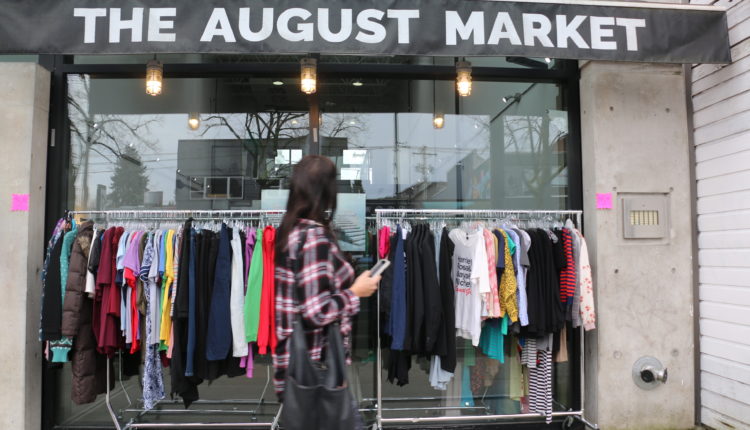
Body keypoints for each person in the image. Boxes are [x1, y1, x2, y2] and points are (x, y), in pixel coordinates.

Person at [273, 155, 380, 402]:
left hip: (298, 367)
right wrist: (356, 291)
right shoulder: (313, 239)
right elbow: (316, 311)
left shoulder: (292, 232)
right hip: (316, 370)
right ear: (327, 190)